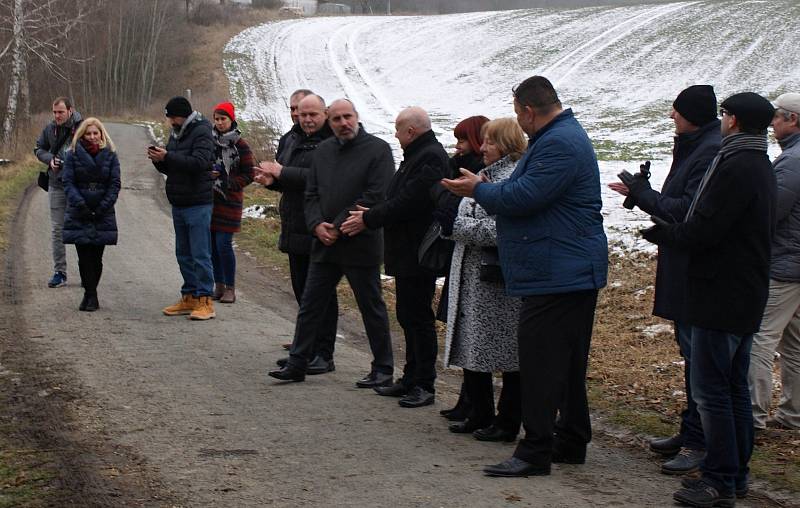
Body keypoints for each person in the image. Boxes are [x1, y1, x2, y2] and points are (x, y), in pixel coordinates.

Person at [442, 75, 608, 477]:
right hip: (563, 269)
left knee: (540, 363)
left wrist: (475, 191)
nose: (520, 122)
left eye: (519, 114)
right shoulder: (557, 138)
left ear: (529, 111)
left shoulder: (559, 143)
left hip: (557, 272)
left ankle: (535, 450)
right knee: (565, 363)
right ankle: (570, 440)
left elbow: (523, 197)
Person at [642, 92, 776, 506]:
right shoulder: (758, 163)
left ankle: (718, 481)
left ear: (732, 121)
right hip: (743, 293)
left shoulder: (735, 166)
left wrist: (664, 234)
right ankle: (734, 478)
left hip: (720, 295)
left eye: (725, 115)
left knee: (713, 393)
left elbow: (705, 228)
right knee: (732, 390)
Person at [609, 85, 721, 474]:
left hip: (695, 272)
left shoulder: (707, 151)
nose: (671, 117)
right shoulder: (694, 145)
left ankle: (699, 440)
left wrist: (643, 193)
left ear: (692, 114)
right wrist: (642, 195)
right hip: (682, 267)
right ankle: (691, 430)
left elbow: (683, 211)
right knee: (691, 357)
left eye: (676, 111)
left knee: (700, 362)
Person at [268, 99, 394, 386]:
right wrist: (316, 225)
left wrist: (336, 225)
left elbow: (375, 194)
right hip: (325, 241)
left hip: (360, 241)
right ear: (329, 120)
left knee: (370, 306)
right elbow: (311, 193)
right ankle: (298, 363)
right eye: (336, 119)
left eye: (347, 116)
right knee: (311, 304)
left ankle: (383, 368)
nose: (342, 123)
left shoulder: (378, 150)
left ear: (356, 116)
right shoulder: (324, 152)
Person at [341, 106, 448, 408]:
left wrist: (371, 218)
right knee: (407, 315)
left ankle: (424, 383)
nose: (397, 136)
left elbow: (409, 202)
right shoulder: (417, 155)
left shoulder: (430, 157)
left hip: (418, 252)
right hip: (406, 251)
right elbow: (398, 198)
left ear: (411, 131)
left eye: (399, 130)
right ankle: (411, 377)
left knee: (418, 318)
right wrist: (374, 213)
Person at [443, 117, 527, 441]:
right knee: (473, 345)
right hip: (470, 273)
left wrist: (455, 227)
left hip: (496, 281)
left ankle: (506, 422)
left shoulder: (512, 178)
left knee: (507, 354)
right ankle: (479, 412)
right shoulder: (484, 174)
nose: (484, 147)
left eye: (490, 141)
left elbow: (501, 229)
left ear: (505, 144)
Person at [256, 94, 339, 375]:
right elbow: (289, 182)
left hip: (319, 226)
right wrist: (272, 182)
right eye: (301, 114)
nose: (305, 119)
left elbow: (322, 181)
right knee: (302, 293)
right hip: (294, 223)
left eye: (312, 114)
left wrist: (282, 171)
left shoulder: (332, 142)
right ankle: (304, 350)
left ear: (324, 113)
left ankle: (323, 354)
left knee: (321, 296)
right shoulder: (291, 139)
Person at [749, 92, 800, 432]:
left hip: (784, 265)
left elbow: (772, 211)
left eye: (777, 118)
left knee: (760, 339)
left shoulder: (792, 161)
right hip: (796, 265)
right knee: (795, 343)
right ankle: (794, 414)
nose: (772, 123)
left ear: (792, 120)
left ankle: (751, 415)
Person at [437, 115, 490, 422]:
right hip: (461, 261)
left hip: (477, 266)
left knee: (475, 337)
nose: (457, 147)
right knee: (464, 332)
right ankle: (467, 401)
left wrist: (452, 219)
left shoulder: (482, 175)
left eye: (462, 140)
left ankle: (477, 406)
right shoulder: (458, 166)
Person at [147, 96, 216, 321]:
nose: (169, 122)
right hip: (179, 201)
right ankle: (189, 296)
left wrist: (169, 156)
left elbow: (199, 163)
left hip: (198, 202)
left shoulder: (202, 131)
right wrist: (159, 159)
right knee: (183, 254)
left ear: (179, 116)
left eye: (171, 117)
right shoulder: (177, 134)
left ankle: (205, 300)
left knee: (200, 253)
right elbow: (173, 165)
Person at [61, 117, 121, 312]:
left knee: (97, 256)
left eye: (96, 133)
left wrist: (103, 206)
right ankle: (90, 294)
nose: (93, 137)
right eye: (89, 133)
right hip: (80, 210)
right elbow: (68, 182)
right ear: (82, 135)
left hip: (102, 211)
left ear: (102, 134)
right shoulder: (72, 154)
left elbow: (115, 184)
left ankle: (91, 291)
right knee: (84, 255)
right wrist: (81, 205)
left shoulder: (111, 154)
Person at [35, 97, 83, 288]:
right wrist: (50, 160)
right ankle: (59, 272)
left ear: (70, 110)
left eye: (60, 112)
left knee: (79, 228)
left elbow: (95, 150)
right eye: (54, 112)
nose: (57, 116)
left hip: (78, 185)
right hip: (56, 184)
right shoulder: (49, 129)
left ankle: (85, 271)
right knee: (57, 229)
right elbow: (38, 148)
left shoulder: (83, 128)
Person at [209, 102, 254, 304]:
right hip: (210, 199)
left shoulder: (240, 145)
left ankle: (230, 288)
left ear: (231, 120)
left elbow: (249, 174)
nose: (219, 123)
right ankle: (217, 285)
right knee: (212, 245)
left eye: (223, 119)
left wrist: (229, 182)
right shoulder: (209, 141)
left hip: (230, 201)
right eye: (217, 119)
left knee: (223, 245)